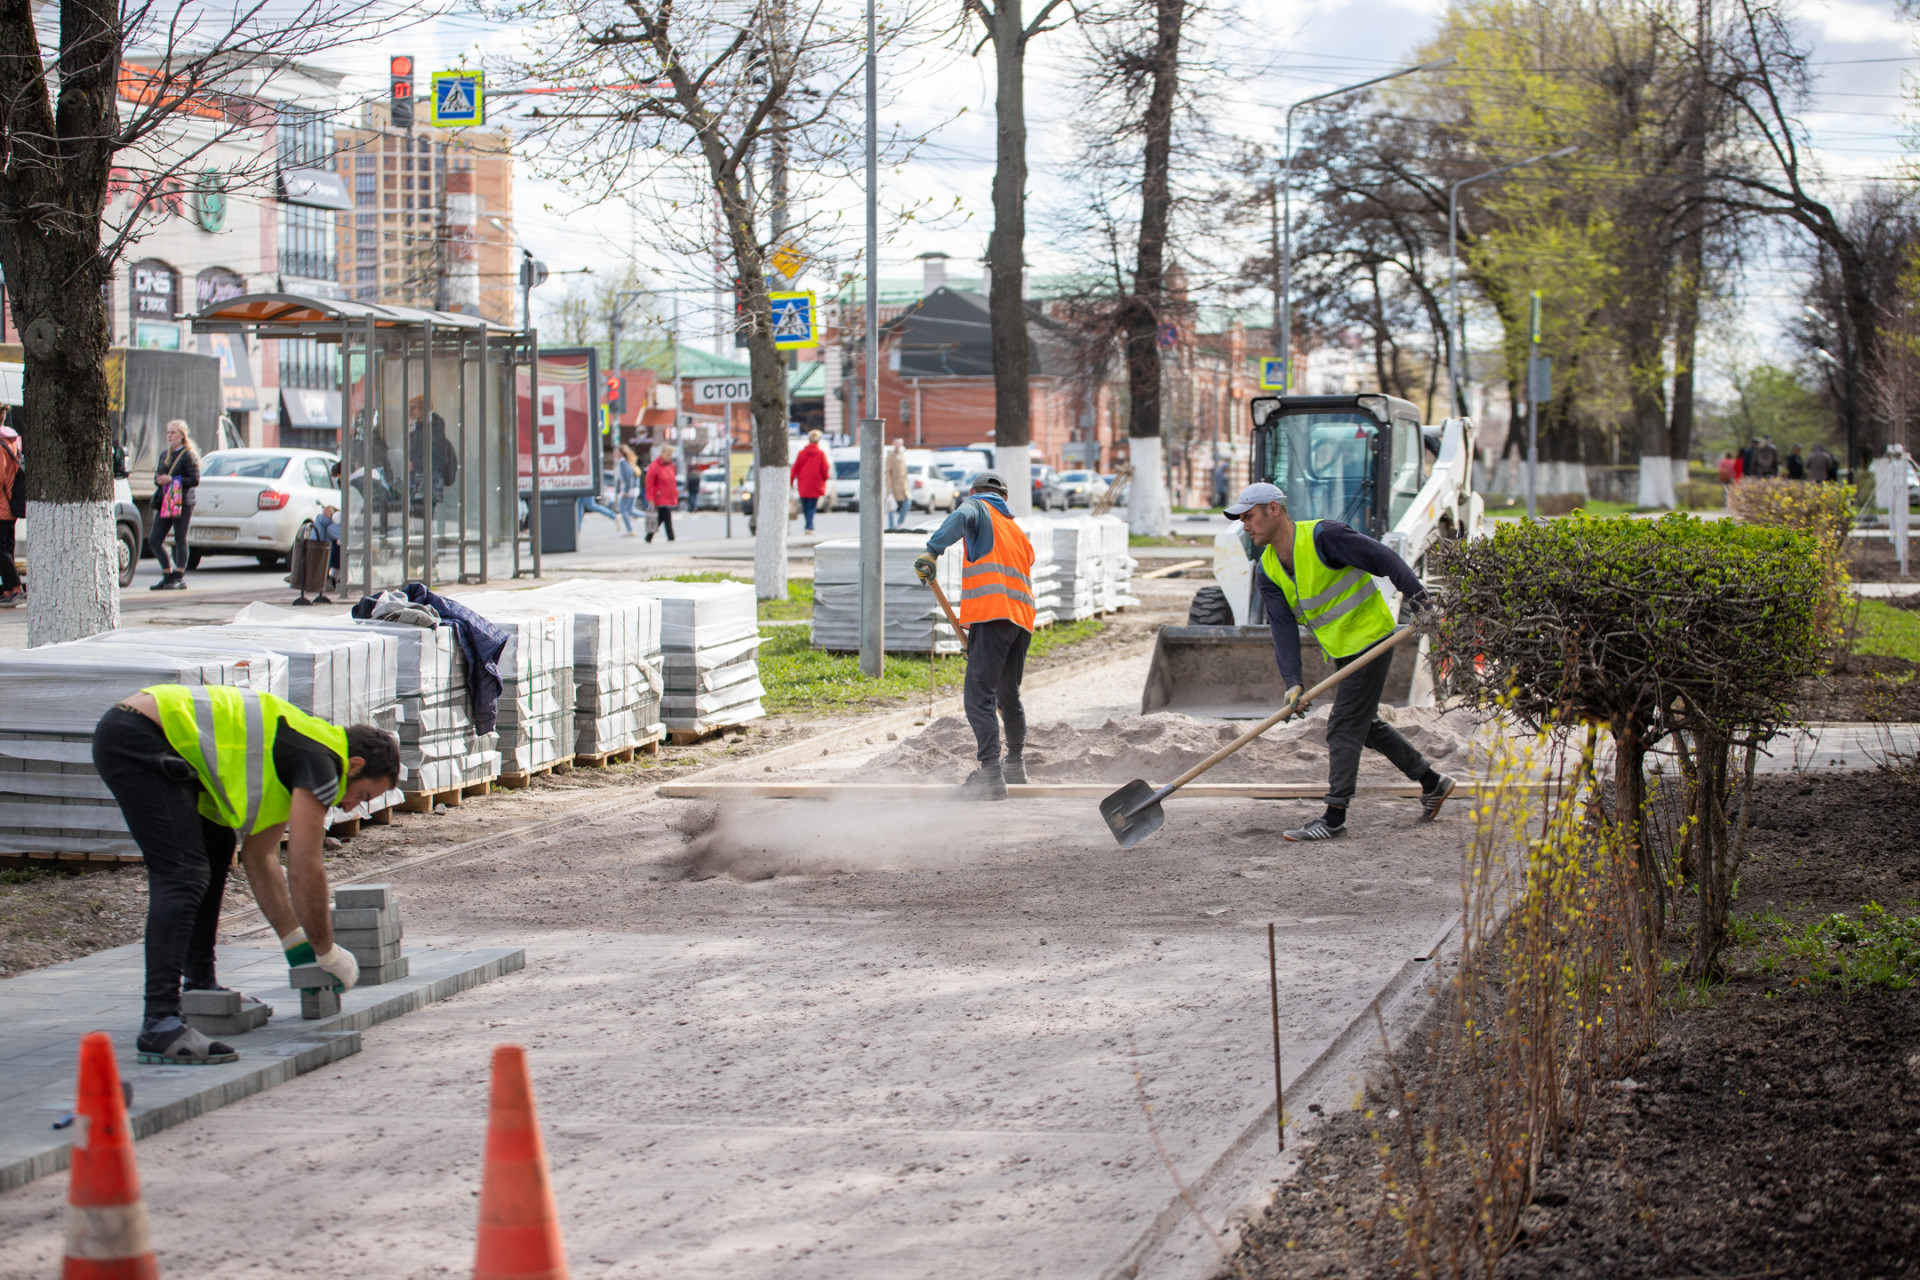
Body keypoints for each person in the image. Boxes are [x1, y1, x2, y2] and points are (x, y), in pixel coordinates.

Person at [91, 686, 401, 1065]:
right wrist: (326, 952)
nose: (353, 808)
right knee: (184, 874)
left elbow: (260, 857)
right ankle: (160, 1021)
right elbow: (305, 868)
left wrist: (298, 948)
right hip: (139, 736)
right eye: (363, 796)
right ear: (354, 765)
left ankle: (200, 981)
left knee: (218, 845)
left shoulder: (298, 757)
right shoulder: (322, 763)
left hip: (150, 736)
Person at [1225, 481, 1455, 841]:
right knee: (1366, 725)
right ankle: (1432, 782)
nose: (1245, 526)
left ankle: (1334, 817)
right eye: (1241, 520)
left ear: (1273, 509)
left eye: (1249, 516)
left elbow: (1385, 560)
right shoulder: (1267, 570)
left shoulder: (1324, 537)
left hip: (1372, 637)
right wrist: (1293, 682)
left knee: (1343, 726)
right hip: (1342, 649)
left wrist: (1421, 603)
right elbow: (1282, 629)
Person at [914, 471, 1034, 801]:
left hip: (992, 616)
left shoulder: (978, 507)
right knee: (1008, 695)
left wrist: (932, 551)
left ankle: (991, 776)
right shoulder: (1016, 531)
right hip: (1021, 621)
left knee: (978, 696)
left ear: (973, 491)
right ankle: (1015, 765)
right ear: (1006, 498)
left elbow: (961, 516)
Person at [150, 419, 199, 591]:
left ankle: (179, 576)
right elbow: (157, 476)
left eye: (173, 433)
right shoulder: (165, 455)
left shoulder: (188, 455)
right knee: (155, 539)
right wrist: (160, 479)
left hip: (182, 502)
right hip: (166, 501)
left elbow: (194, 479)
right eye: (168, 433)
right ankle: (167, 573)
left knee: (180, 538)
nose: (169, 436)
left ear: (182, 435)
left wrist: (172, 479)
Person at [0, 421, 23, 607]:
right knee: (7, 548)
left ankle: (15, 587)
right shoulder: (12, 441)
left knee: (1, 550)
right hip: (10, 504)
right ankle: (8, 590)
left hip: (1, 505)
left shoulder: (1, 444)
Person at [792, 429, 831, 532]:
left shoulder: (802, 453)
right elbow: (825, 468)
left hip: (803, 483)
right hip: (815, 484)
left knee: (805, 506)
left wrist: (791, 481)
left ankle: (808, 525)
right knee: (812, 506)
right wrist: (825, 478)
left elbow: (795, 468)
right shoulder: (821, 454)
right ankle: (809, 526)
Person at [645, 446, 679, 543]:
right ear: (662, 454)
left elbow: (672, 482)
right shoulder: (654, 466)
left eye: (670, 455)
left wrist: (674, 494)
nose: (669, 457)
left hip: (667, 496)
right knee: (666, 516)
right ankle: (670, 536)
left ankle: (649, 535)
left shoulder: (670, 466)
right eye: (667, 455)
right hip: (659, 496)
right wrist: (650, 498)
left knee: (661, 517)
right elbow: (649, 483)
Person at [615, 444, 642, 536]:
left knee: (623, 510)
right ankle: (649, 516)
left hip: (629, 490)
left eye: (617, 452)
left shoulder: (623, 463)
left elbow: (628, 478)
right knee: (631, 510)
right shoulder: (628, 462)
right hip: (633, 489)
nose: (615, 454)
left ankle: (630, 530)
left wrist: (625, 491)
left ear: (621, 453)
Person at [886, 441, 911, 530]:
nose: (898, 445)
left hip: (903, 486)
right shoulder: (890, 455)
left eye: (900, 443)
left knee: (907, 503)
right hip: (894, 486)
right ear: (893, 444)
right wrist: (889, 487)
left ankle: (899, 523)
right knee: (891, 506)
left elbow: (905, 471)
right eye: (896, 443)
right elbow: (888, 472)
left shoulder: (902, 454)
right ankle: (892, 526)